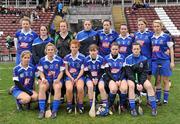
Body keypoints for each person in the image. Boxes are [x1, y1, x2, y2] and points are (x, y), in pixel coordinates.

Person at [124, 42, 157, 116]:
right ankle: (132, 108)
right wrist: (136, 83)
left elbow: (144, 73)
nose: (136, 50)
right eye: (134, 49)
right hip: (131, 78)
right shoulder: (128, 59)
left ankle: (154, 107)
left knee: (149, 86)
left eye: (137, 49)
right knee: (132, 86)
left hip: (141, 78)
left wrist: (141, 83)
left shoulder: (144, 59)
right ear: (132, 50)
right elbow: (129, 73)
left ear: (140, 50)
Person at [37, 43, 65, 119]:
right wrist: (43, 79)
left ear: (55, 50)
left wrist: (58, 79)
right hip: (47, 80)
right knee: (42, 87)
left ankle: (54, 111)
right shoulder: (42, 60)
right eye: (48, 50)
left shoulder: (59, 60)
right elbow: (41, 72)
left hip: (56, 79)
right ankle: (42, 110)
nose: (50, 51)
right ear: (46, 51)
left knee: (58, 87)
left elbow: (62, 72)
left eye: (52, 50)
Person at [151, 20, 175, 105]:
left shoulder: (166, 36)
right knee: (157, 80)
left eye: (158, 26)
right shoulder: (152, 37)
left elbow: (171, 49)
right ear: (153, 27)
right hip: (155, 61)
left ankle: (165, 99)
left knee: (165, 80)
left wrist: (172, 62)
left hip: (165, 60)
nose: (156, 28)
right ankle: (157, 99)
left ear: (161, 27)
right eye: (155, 26)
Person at [84, 44, 108, 115]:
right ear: (89, 52)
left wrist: (97, 78)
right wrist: (92, 79)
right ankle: (92, 106)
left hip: (99, 76)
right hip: (89, 77)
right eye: (91, 51)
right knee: (90, 86)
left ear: (97, 51)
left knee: (101, 87)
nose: (93, 52)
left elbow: (103, 71)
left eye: (94, 50)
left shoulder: (101, 59)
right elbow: (86, 72)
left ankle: (105, 106)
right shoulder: (86, 59)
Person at [104, 42, 127, 112]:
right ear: (110, 49)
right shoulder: (106, 58)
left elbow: (124, 71)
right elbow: (107, 72)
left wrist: (120, 80)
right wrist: (115, 80)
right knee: (113, 89)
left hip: (121, 77)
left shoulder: (122, 57)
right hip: (111, 78)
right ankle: (111, 104)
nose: (115, 50)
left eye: (116, 49)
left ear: (119, 49)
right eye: (113, 49)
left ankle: (122, 104)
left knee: (124, 89)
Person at [64, 40, 85, 114]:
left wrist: (77, 78)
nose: (74, 49)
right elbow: (66, 70)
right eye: (72, 47)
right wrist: (71, 78)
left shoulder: (82, 57)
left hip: (79, 76)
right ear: (70, 47)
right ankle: (69, 105)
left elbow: (82, 70)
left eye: (76, 47)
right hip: (70, 77)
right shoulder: (67, 57)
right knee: (69, 88)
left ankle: (80, 104)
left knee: (80, 88)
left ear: (78, 47)